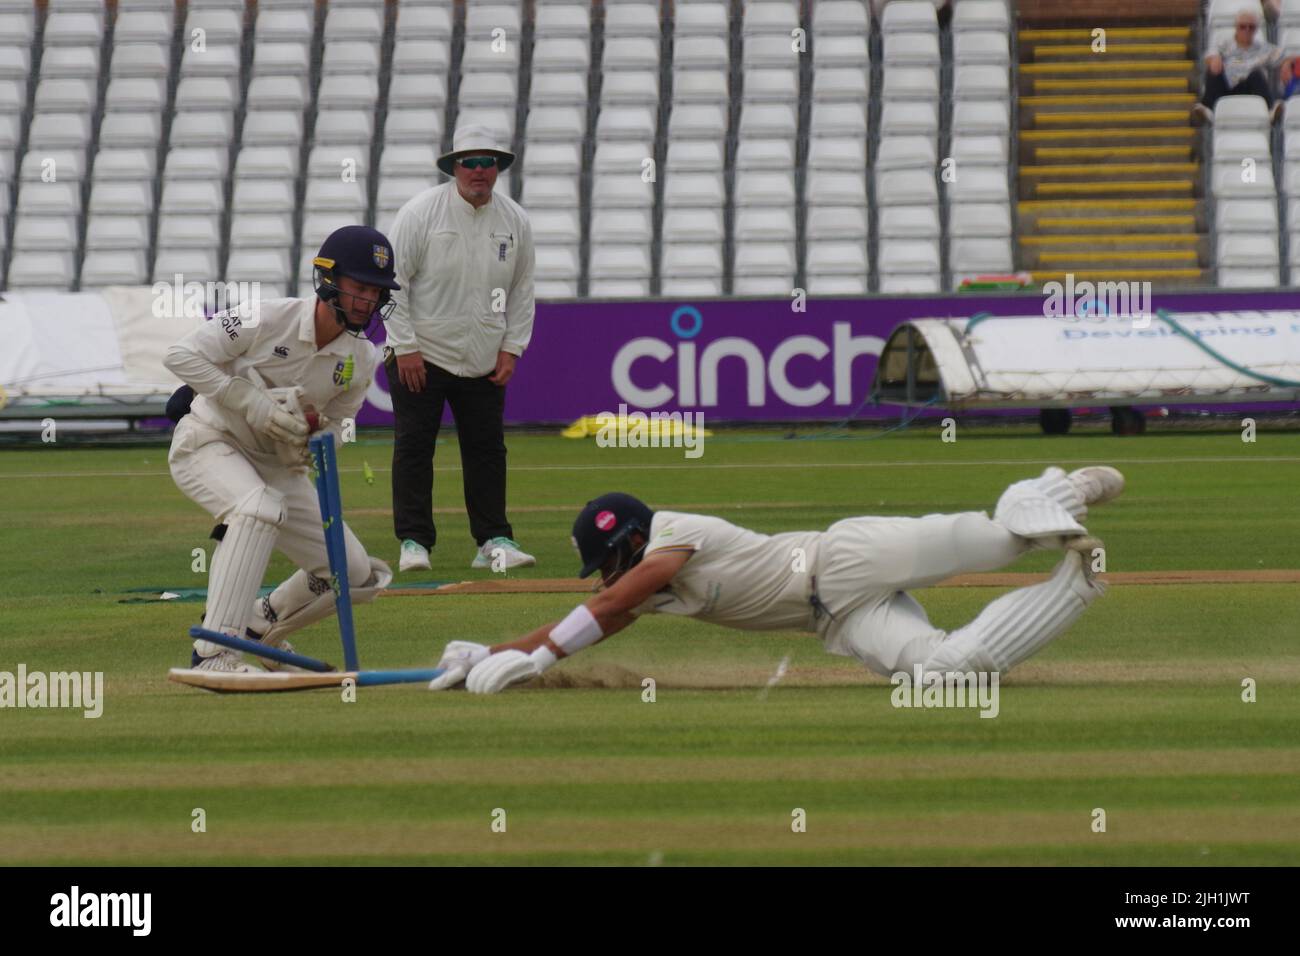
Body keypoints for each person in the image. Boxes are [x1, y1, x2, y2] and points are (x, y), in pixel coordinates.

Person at [427, 467, 1124, 694]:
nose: (606, 579)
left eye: (609, 562)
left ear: (633, 541)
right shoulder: (640, 585)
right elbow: (601, 613)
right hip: (837, 619)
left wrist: (542, 659)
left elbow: (611, 599)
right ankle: (1080, 581)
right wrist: (492, 655)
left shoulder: (673, 532)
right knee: (947, 671)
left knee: (1002, 541)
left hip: (846, 557)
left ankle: (1062, 485)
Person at [164, 226, 399, 672]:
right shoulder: (265, 317)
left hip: (278, 465)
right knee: (257, 510)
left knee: (355, 574)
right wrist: (247, 399)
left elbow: (335, 426)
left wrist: (312, 437)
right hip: (210, 441)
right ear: (328, 281)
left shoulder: (361, 359)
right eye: (359, 288)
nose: (367, 302)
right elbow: (180, 356)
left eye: (376, 292)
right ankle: (214, 652)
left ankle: (257, 628)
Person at [385, 123, 537, 573]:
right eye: (469, 162)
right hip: (422, 354)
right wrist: (405, 345)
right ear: (454, 167)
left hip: (484, 355)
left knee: (487, 448)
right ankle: (414, 542)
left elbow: (522, 289)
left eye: (487, 162)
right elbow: (393, 283)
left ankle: (493, 540)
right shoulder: (420, 212)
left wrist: (513, 347)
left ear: (498, 168)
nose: (478, 171)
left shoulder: (515, 220)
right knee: (415, 446)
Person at [1192, 6, 1285, 126]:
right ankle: (1208, 109)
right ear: (1236, 27)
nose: (1246, 30)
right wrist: (1215, 59)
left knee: (1257, 74)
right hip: (1227, 87)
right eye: (1243, 26)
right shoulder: (1225, 45)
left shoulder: (1263, 48)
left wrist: (1287, 63)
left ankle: (1269, 111)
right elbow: (1210, 55)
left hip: (1249, 87)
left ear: (1256, 30)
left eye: (1251, 27)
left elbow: (1282, 56)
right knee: (1213, 71)